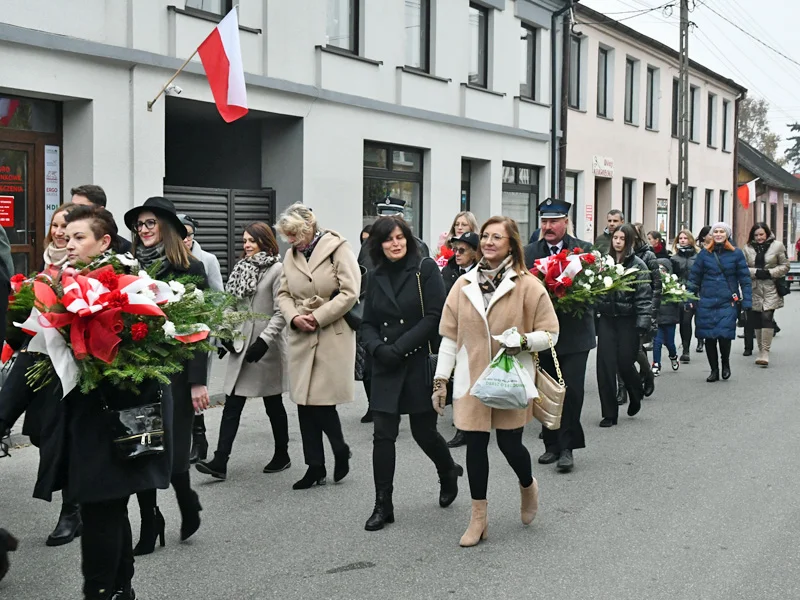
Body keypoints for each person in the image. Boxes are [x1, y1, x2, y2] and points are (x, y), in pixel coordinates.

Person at [0, 204, 173, 599]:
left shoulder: (131, 286)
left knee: (101, 508)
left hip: (120, 420)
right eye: (65, 234)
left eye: (79, 236)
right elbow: (35, 355)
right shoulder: (59, 288)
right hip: (83, 421)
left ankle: (101, 590)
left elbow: (150, 358)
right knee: (106, 508)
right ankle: (119, 589)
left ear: (104, 241)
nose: (68, 241)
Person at [434, 216, 560, 547]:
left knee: (509, 445)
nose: (489, 242)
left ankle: (527, 484)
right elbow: (449, 336)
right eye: (486, 237)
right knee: (475, 445)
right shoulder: (463, 286)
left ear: (511, 244)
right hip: (472, 378)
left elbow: (551, 334)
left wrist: (523, 341)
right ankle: (479, 519)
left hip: (510, 379)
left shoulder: (529, 285)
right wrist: (441, 378)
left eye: (497, 238)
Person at [359, 216, 462, 531]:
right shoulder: (374, 275)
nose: (395, 243)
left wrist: (399, 348)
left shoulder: (425, 269)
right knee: (383, 434)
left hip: (416, 361)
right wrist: (377, 349)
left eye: (400, 237)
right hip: (385, 364)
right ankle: (383, 505)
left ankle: (447, 470)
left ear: (408, 239)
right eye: (388, 239)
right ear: (378, 243)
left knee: (423, 432)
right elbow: (367, 321)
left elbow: (434, 317)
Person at [124, 197, 209, 555]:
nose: (143, 230)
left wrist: (198, 380)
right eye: (139, 225)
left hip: (174, 374)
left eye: (150, 223)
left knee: (173, 455)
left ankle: (186, 498)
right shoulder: (125, 269)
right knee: (142, 450)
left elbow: (201, 327)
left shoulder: (190, 268)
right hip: (136, 375)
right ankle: (149, 520)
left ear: (167, 227)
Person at [275, 203, 359, 490]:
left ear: (309, 227)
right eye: (287, 235)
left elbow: (351, 292)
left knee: (321, 403)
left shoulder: (338, 248)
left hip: (331, 331)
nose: (290, 240)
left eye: (294, 234)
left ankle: (339, 449)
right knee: (304, 403)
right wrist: (295, 316)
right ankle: (315, 467)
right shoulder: (291, 254)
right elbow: (283, 293)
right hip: (301, 333)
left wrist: (318, 316)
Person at [196, 223, 289, 480]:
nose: (246, 245)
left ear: (265, 242)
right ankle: (220, 461)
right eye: (245, 240)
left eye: (252, 241)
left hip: (265, 349)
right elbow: (230, 304)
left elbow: (281, 313)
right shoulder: (241, 268)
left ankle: (282, 453)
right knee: (232, 402)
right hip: (240, 345)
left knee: (273, 403)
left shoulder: (277, 270)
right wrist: (225, 331)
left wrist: (264, 341)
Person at [523, 198, 595, 473]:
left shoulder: (583, 251)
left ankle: (568, 448)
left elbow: (593, 292)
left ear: (565, 222)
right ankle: (551, 445)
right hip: (543, 334)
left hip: (576, 335)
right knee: (546, 390)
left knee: (572, 392)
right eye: (544, 221)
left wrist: (572, 298)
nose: (548, 226)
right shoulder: (529, 252)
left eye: (554, 221)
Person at [596, 224, 652, 427]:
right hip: (607, 319)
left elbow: (644, 297)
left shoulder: (638, 265)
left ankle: (635, 392)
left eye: (622, 238)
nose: (617, 241)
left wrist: (643, 323)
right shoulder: (604, 264)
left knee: (624, 363)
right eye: (615, 238)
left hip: (628, 321)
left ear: (629, 241)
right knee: (605, 366)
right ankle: (609, 413)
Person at [178, 213, 223, 465]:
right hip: (175, 333)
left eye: (188, 234)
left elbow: (218, 296)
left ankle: (199, 436)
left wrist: (213, 330)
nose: (185, 239)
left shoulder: (207, 259)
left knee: (195, 386)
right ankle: (192, 437)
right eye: (180, 234)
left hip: (200, 333)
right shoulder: (166, 258)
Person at [687, 222, 752, 382]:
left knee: (724, 335)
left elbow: (745, 279)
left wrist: (746, 301)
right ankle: (713, 370)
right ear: (711, 235)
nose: (718, 234)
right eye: (715, 231)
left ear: (727, 234)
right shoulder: (704, 254)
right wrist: (689, 298)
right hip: (706, 301)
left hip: (727, 301)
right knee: (708, 336)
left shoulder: (736, 254)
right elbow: (694, 278)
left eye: (721, 231)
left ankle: (725, 363)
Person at [741, 222, 788, 366]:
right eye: (756, 235)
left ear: (767, 233)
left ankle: (765, 352)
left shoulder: (777, 246)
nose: (759, 237)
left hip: (771, 286)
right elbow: (742, 268)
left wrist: (769, 273)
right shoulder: (747, 248)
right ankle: (760, 349)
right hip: (754, 287)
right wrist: (756, 272)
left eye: (761, 234)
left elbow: (785, 265)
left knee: (767, 316)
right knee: (756, 319)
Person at [357, 197, 429, 272]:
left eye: (399, 237)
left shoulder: (418, 245)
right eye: (383, 219)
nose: (395, 243)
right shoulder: (368, 244)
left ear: (402, 219)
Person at [631, 227, 662, 398]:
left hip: (643, 307)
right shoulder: (619, 253)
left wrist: (652, 312)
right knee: (627, 348)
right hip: (625, 310)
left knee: (635, 348)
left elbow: (656, 286)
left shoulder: (648, 256)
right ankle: (623, 389)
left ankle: (647, 373)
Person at [70, 184, 132, 253]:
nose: (75, 212)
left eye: (82, 207)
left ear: (100, 210)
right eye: (73, 207)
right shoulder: (64, 239)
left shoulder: (123, 247)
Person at [670, 230, 698, 362]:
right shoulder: (674, 259)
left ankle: (694, 344)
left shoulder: (698, 257)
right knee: (683, 321)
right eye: (680, 238)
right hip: (679, 292)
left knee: (688, 320)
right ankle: (685, 347)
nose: (682, 240)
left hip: (694, 292)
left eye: (685, 238)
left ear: (690, 240)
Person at [651, 262, 681, 376]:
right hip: (657, 318)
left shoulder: (673, 286)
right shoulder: (653, 285)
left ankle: (673, 356)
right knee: (657, 342)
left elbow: (679, 301)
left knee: (669, 343)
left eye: (663, 269)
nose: (661, 272)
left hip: (669, 319)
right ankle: (656, 364)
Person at [358, 224, 374, 424]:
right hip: (363, 317)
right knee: (366, 366)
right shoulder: (361, 258)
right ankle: (372, 404)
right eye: (363, 240)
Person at [42, 203, 75, 273]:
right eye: (55, 225)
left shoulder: (81, 261)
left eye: (64, 226)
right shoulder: (46, 257)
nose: (58, 233)